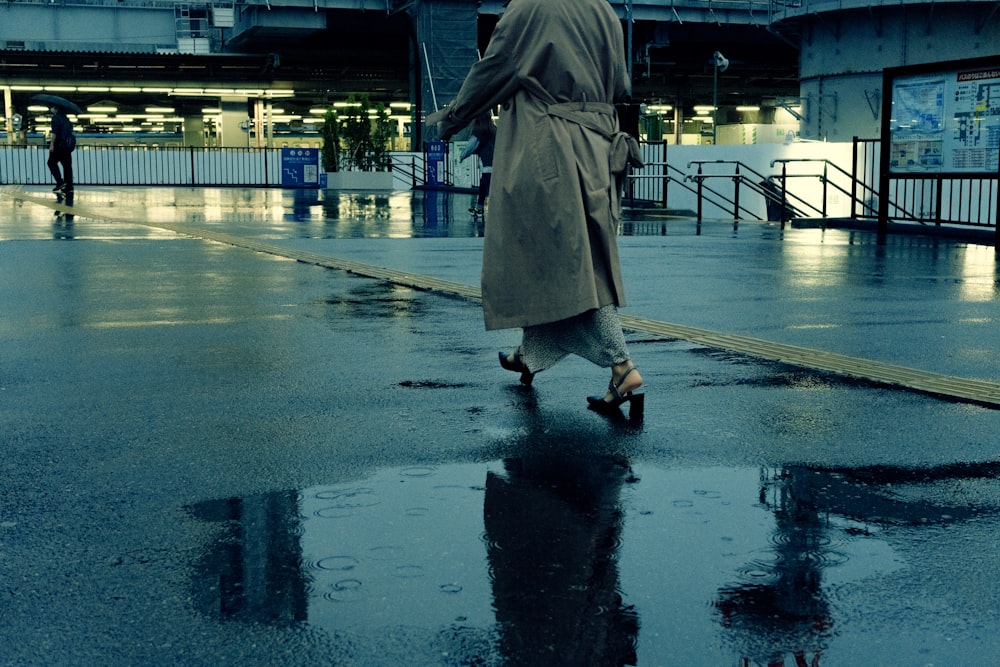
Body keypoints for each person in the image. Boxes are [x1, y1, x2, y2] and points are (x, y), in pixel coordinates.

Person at [428, 0, 644, 417]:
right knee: (562, 256)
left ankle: (622, 367)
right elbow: (621, 83)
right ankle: (529, 354)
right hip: (598, 146)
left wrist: (454, 116)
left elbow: (496, 68)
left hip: (551, 147)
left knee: (571, 263)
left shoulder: (531, 8)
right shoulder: (603, 9)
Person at [459, 113, 496, 216]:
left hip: (487, 163)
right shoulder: (495, 129)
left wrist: (462, 156)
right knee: (483, 186)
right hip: (497, 163)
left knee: (488, 187)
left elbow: (471, 145)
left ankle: (496, 213)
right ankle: (478, 208)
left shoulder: (480, 130)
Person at [47, 105, 76, 192]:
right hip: (67, 146)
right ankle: (69, 186)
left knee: (51, 163)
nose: (50, 108)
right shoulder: (67, 119)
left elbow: (54, 132)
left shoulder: (55, 118)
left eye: (51, 107)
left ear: (56, 108)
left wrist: (52, 144)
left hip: (58, 145)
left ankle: (60, 182)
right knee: (67, 166)